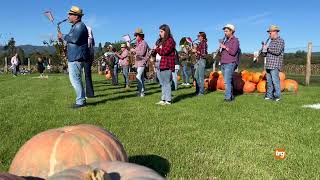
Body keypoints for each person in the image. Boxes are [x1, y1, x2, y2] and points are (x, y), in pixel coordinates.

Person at [58, 6, 89, 109]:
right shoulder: (76, 26)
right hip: (74, 56)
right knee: (76, 79)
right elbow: (72, 39)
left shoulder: (80, 26)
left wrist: (63, 36)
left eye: (70, 14)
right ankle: (81, 100)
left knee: (75, 79)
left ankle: (80, 101)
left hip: (77, 57)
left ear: (76, 16)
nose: (68, 16)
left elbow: (74, 39)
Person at [153, 24, 176, 105]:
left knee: (166, 83)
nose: (160, 33)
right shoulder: (163, 41)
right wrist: (154, 50)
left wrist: (157, 48)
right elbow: (159, 52)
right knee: (162, 83)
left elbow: (164, 52)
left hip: (167, 64)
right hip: (162, 63)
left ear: (166, 31)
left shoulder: (170, 41)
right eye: (160, 31)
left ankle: (168, 100)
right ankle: (163, 99)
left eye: (161, 31)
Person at [263, 25, 285, 101]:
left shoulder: (280, 41)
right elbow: (267, 53)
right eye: (269, 33)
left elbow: (277, 51)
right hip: (269, 64)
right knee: (269, 81)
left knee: (275, 81)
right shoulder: (271, 42)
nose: (269, 34)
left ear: (275, 32)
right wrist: (264, 51)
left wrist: (267, 48)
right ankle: (269, 95)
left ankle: (277, 96)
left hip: (275, 65)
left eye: (270, 32)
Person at [220, 24, 240, 102]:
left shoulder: (235, 41)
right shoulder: (226, 40)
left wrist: (225, 47)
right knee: (228, 80)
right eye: (224, 31)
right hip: (223, 62)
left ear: (231, 31)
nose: (225, 33)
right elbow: (224, 52)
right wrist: (220, 49)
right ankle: (231, 96)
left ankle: (227, 98)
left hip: (230, 62)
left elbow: (233, 52)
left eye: (226, 31)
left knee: (226, 81)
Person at [130, 28, 149, 97]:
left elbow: (141, 53)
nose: (135, 37)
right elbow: (136, 53)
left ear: (140, 36)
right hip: (138, 62)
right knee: (141, 78)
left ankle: (141, 92)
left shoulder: (143, 43)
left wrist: (133, 50)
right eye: (135, 35)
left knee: (138, 76)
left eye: (136, 35)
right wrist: (132, 51)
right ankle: (142, 92)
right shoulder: (138, 43)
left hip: (142, 62)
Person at [84, 26, 95, 98]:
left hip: (87, 56)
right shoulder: (91, 39)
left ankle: (89, 93)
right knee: (87, 75)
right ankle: (89, 93)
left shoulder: (89, 38)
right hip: (89, 56)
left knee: (87, 75)